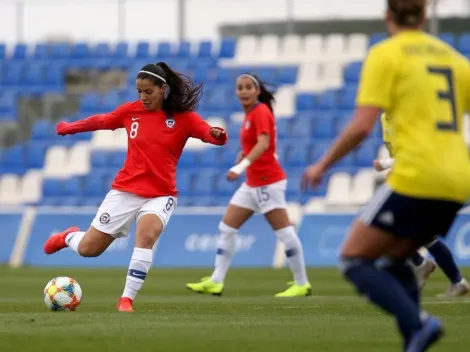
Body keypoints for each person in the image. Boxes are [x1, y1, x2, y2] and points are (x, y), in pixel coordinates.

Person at [302, 0, 470, 350]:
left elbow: (362, 126)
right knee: (394, 259)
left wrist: (322, 165)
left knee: (353, 259)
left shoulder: (386, 54)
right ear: (424, 16)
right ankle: (414, 338)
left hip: (417, 175)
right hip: (457, 179)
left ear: (387, 16)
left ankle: (419, 324)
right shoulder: (453, 58)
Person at [43, 62, 228, 312]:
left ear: (163, 89)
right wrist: (70, 127)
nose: (143, 97)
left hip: (161, 194)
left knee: (146, 235)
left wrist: (218, 135)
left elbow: (208, 133)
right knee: (89, 249)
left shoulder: (183, 118)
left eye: (148, 92)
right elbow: (104, 120)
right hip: (125, 191)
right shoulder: (132, 111)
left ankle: (126, 299)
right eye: (139, 91)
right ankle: (68, 237)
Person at [186, 73, 311, 297]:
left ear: (257, 91)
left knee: (284, 232)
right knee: (227, 227)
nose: (243, 91)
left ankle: (301, 283)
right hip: (253, 182)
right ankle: (216, 280)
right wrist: (242, 154)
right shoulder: (250, 115)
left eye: (247, 87)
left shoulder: (260, 111)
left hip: (267, 182)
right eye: (240, 87)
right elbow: (260, 143)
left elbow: (264, 144)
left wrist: (240, 166)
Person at [375, 113, 469, 296]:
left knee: (399, 229)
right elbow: (399, 153)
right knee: (402, 230)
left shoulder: (407, 116)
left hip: (425, 179)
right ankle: (439, 272)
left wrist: (386, 164)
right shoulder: (384, 118)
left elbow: (417, 152)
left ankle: (432, 269)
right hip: (410, 180)